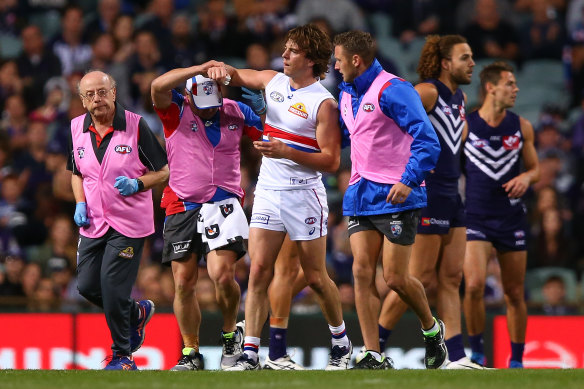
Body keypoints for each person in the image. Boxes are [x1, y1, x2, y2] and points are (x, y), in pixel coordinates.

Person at [207, 24, 353, 371]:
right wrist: (216, 68)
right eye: (284, 48)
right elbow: (238, 75)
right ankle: (251, 353)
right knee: (257, 271)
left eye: (292, 51)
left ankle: (341, 341)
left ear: (312, 59)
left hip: (304, 194)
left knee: (316, 276)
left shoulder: (324, 103)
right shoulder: (273, 81)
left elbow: (331, 161)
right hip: (269, 191)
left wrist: (285, 149)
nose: (284, 55)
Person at [333, 30, 446, 370]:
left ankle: (431, 327)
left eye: (338, 60)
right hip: (360, 194)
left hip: (397, 194)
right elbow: (347, 137)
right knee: (361, 271)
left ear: (356, 60)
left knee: (395, 278)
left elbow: (428, 141)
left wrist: (408, 180)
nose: (335, 67)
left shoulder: (393, 89)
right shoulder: (345, 94)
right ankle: (373, 353)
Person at [372, 35, 484, 369]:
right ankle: (374, 347)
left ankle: (457, 357)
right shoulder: (428, 91)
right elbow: (388, 120)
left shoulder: (460, 97)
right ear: (446, 62)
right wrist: (402, 169)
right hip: (428, 194)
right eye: (465, 57)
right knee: (417, 276)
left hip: (453, 195)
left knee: (451, 279)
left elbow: (451, 137)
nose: (472, 63)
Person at [150, 63, 264, 370]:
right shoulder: (174, 111)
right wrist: (200, 68)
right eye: (203, 107)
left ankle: (230, 335)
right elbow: (157, 86)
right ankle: (191, 352)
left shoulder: (235, 111)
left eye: (213, 105)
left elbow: (267, 137)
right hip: (182, 204)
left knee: (222, 275)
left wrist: (264, 112)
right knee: (184, 283)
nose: (210, 112)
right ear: (188, 96)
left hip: (224, 203)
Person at [67, 70, 169, 370]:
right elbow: (76, 172)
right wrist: (79, 203)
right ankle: (135, 314)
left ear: (114, 93)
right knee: (86, 286)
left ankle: (123, 356)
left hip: (128, 223)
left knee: (112, 286)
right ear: (83, 101)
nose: (97, 99)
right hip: (93, 222)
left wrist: (138, 184)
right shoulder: (76, 128)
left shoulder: (136, 126)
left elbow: (164, 171)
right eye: (90, 95)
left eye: (102, 91)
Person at [462, 61, 539, 368]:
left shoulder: (522, 127)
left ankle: (517, 360)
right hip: (475, 216)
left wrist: (527, 178)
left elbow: (535, 169)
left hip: (510, 218)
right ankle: (478, 353)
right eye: (510, 84)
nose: (516, 89)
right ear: (490, 87)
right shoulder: (467, 125)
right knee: (475, 285)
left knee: (514, 291)